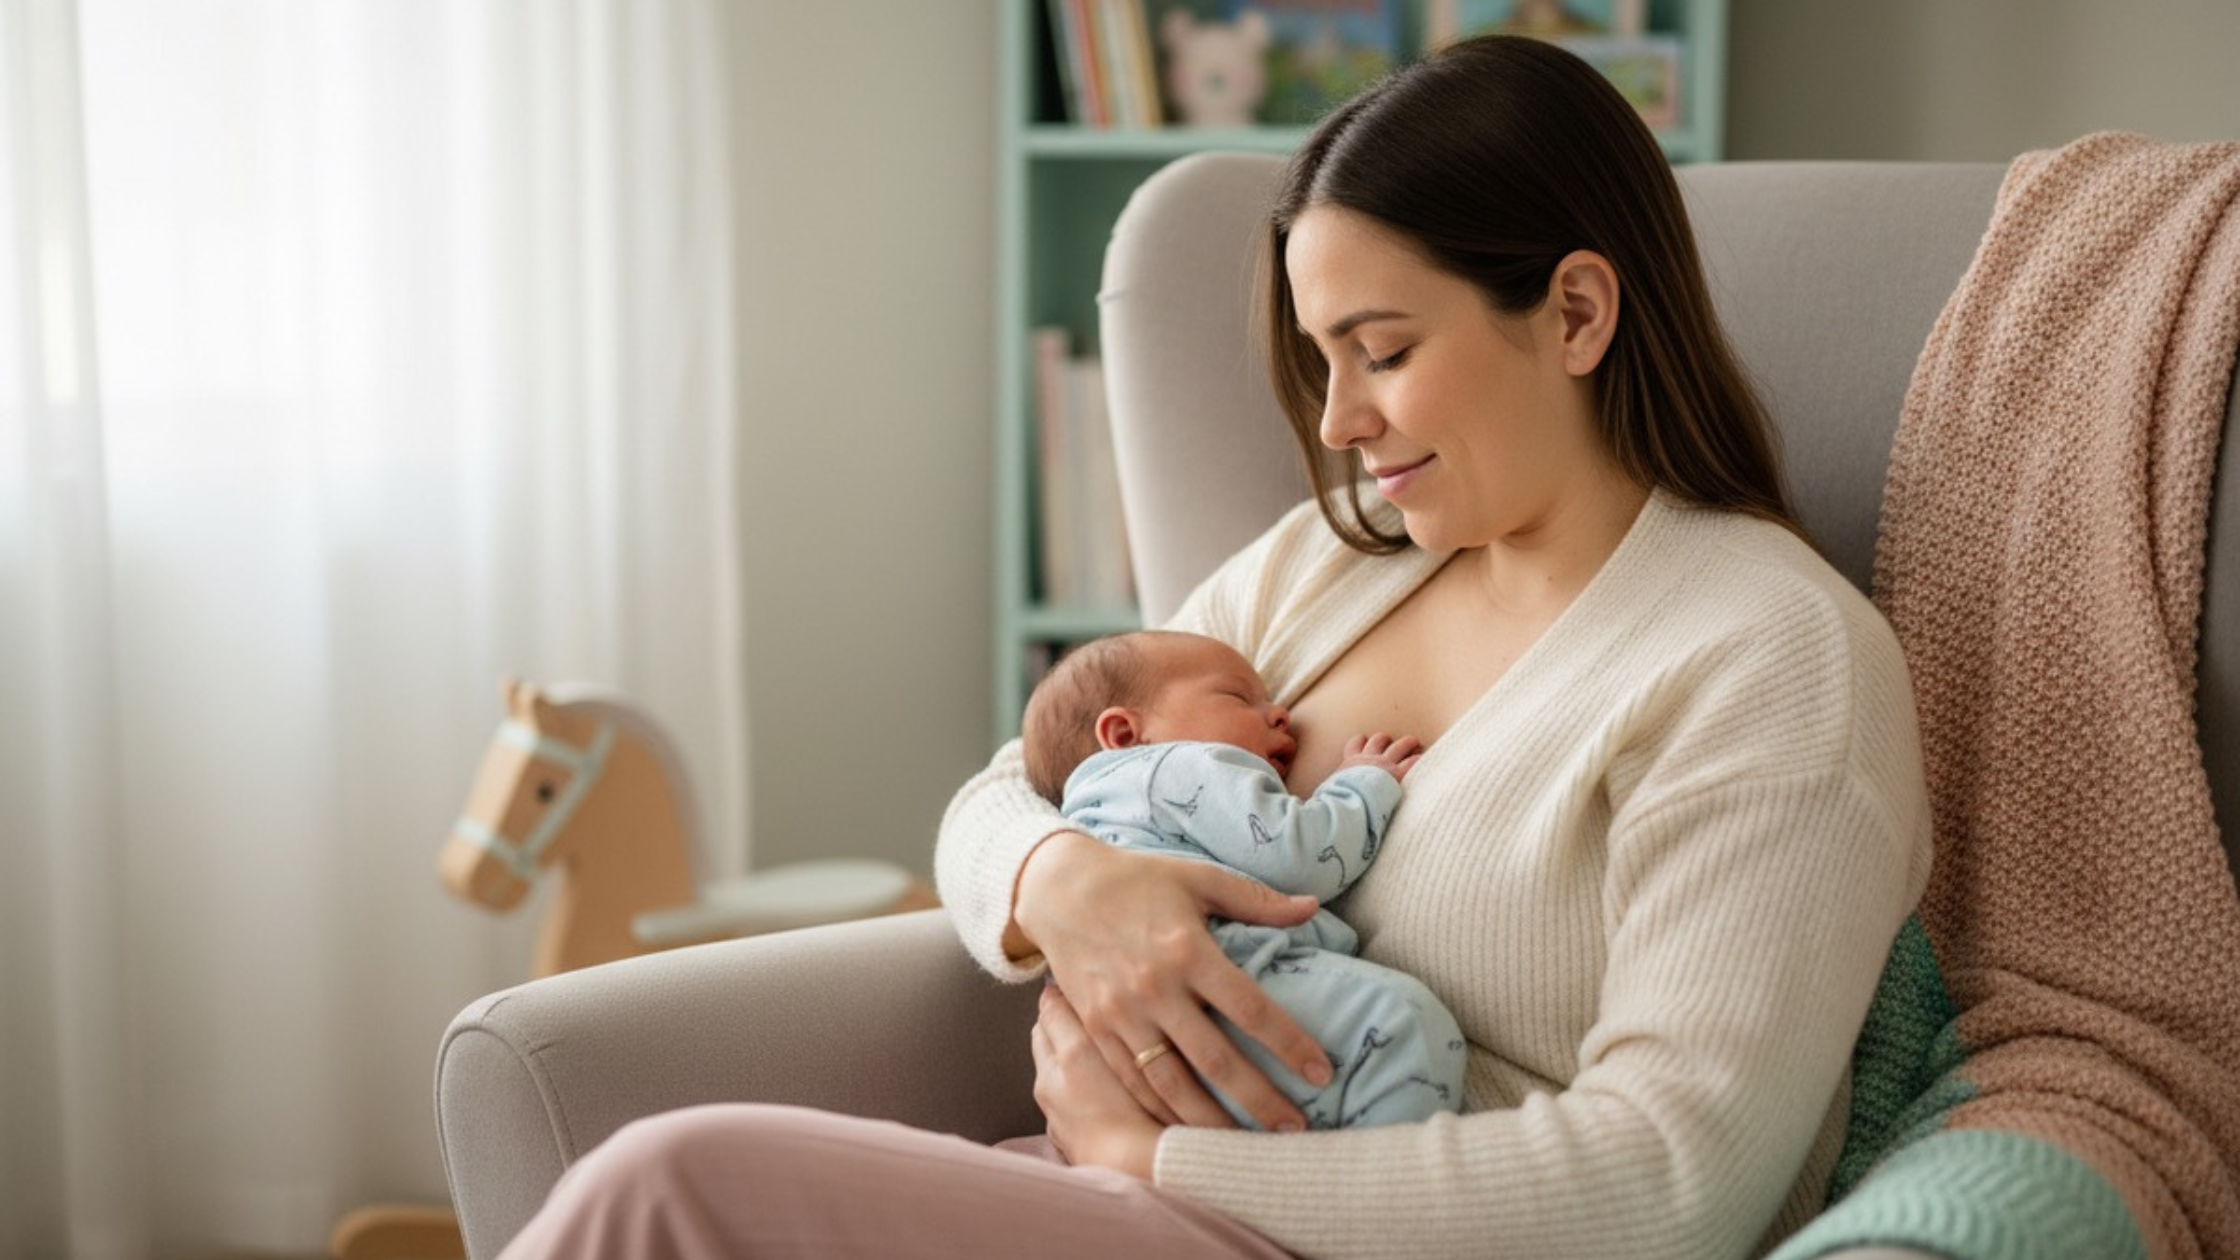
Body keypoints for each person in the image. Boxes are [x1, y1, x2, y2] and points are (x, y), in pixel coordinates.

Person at [495, 34, 1931, 1260]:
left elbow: (1673, 1180)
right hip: (1121, 1189)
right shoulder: (1335, 564)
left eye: (1381, 350)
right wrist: (1066, 883)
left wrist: (1158, 1162)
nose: (1339, 424)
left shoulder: (1769, 658)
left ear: (1573, 312)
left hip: (1318, 1223)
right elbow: (1009, 789)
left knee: (664, 1188)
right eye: (1321, 361)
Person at [1020, 628, 1465, 1131]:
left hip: (1125, 1045)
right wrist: (1363, 783)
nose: (1281, 714)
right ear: (1126, 735)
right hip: (1227, 981)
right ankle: (1380, 1171)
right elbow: (1302, 857)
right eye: (1238, 697)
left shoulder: (1080, 817)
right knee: (1404, 1023)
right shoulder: (1172, 766)